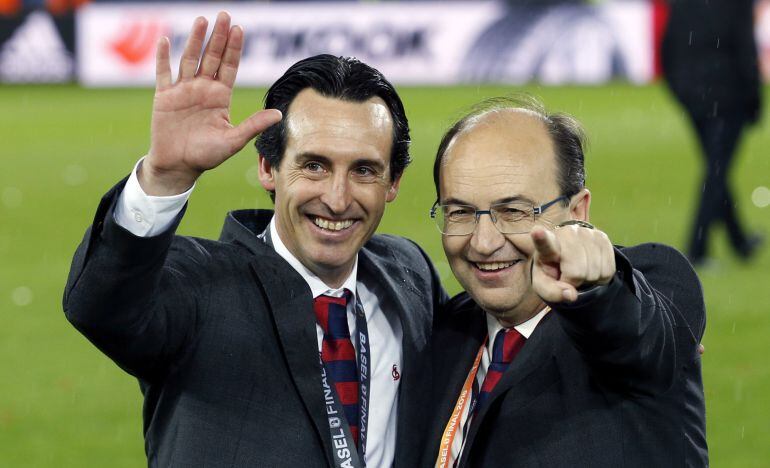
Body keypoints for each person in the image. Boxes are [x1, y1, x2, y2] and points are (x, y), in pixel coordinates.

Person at [63, 12, 446, 467]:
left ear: (394, 182)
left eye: (364, 170)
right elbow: (102, 307)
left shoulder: (409, 272)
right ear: (268, 168)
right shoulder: (197, 285)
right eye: (314, 166)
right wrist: (164, 178)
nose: (338, 198)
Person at [424, 96, 707, 467]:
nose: (484, 242)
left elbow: (636, 337)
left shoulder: (648, 285)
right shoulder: (445, 331)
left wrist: (594, 293)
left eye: (513, 211)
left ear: (577, 212)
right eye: (459, 212)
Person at [662, 0, 764, 265]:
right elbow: (745, 49)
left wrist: (680, 90)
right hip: (728, 96)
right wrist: (754, 99)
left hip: (694, 97)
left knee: (717, 168)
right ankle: (697, 248)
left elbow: (668, 47)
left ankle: (739, 241)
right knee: (717, 171)